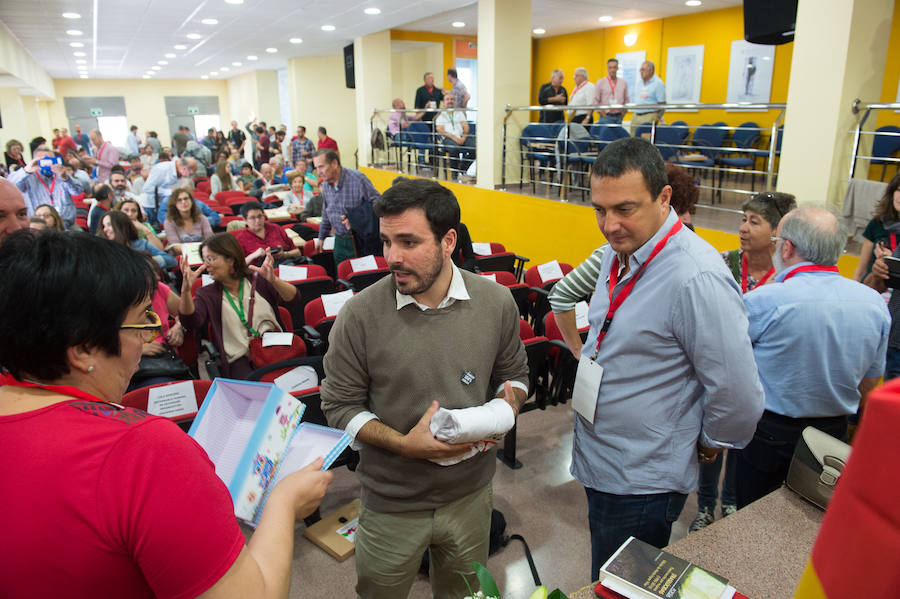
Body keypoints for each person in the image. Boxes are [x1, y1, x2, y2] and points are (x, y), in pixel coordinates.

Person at [0, 229, 332, 597]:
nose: (147, 341)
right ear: (83, 347)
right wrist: (284, 504)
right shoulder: (143, 450)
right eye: (141, 324)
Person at [320, 178, 529, 599]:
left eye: (409, 242)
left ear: (448, 240)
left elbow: (515, 376)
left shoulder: (496, 303)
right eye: (386, 242)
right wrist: (403, 445)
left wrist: (505, 409)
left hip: (471, 497)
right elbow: (339, 405)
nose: (392, 257)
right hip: (390, 502)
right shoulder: (359, 316)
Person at [568, 137, 764, 580]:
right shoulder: (621, 253)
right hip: (602, 457)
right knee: (606, 573)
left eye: (625, 209)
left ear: (664, 197)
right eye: (599, 209)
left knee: (620, 584)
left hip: (642, 478)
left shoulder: (696, 278)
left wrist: (709, 441)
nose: (609, 224)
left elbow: (739, 396)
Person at [737, 206, 890, 508]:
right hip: (832, 433)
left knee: (751, 521)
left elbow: (729, 366)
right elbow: (870, 385)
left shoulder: (766, 300)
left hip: (769, 432)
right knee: (810, 521)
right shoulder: (872, 304)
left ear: (787, 247)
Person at [688, 190, 797, 533]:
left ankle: (731, 502)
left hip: (763, 375)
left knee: (742, 442)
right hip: (718, 371)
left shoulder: (787, 275)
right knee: (712, 440)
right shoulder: (724, 262)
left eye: (754, 221)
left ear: (778, 231)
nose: (743, 228)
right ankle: (705, 506)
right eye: (742, 219)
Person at [548, 162, 702, 358]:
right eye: (680, 211)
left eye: (688, 211)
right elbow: (561, 295)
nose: (686, 219)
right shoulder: (612, 253)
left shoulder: (691, 260)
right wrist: (580, 352)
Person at [179, 232, 300, 378]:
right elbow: (191, 321)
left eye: (210, 259)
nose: (206, 265)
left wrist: (273, 280)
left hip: (275, 349)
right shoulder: (207, 294)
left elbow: (294, 299)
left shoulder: (258, 280)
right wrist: (185, 291)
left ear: (230, 259)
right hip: (240, 360)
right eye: (204, 260)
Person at [313, 149, 381, 265]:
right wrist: (321, 237)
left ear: (334, 163)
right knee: (341, 278)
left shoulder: (358, 179)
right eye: (316, 168)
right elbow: (326, 213)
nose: (318, 172)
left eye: (321, 167)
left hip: (360, 240)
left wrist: (356, 218)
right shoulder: (325, 186)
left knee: (361, 279)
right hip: (339, 241)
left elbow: (378, 203)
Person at [7, 145, 80, 228]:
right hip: (38, 226)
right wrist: (27, 170)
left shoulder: (61, 174)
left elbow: (77, 191)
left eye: (50, 161)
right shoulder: (28, 177)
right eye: (43, 161)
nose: (47, 164)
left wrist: (65, 178)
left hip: (65, 225)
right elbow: (10, 185)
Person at [852, 173, 900, 282]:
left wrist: (893, 262)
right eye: (898, 190)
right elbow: (861, 268)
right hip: (871, 287)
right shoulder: (877, 223)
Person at [100, 210, 176, 270]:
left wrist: (148, 260)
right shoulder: (104, 249)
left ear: (121, 226)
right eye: (104, 226)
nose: (105, 230)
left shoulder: (140, 243)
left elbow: (171, 261)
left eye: (109, 225)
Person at [234, 201, 302, 260]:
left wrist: (285, 254)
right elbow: (239, 267)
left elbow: (298, 252)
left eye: (260, 216)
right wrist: (253, 256)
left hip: (286, 265)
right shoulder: (241, 239)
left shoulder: (276, 229)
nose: (257, 221)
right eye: (252, 218)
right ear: (245, 220)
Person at [142, 156, 200, 225]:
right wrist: (169, 192)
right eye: (190, 174)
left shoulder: (180, 173)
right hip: (153, 206)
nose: (190, 176)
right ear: (184, 168)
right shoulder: (162, 169)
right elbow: (147, 188)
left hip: (168, 205)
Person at [435, 93, 474, 178]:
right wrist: (454, 138)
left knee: (474, 148)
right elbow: (440, 129)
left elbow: (466, 126)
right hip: (448, 138)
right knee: (454, 149)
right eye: (447, 99)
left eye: (452, 99)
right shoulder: (440, 115)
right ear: (443, 102)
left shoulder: (459, 112)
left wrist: (463, 137)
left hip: (461, 136)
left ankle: (462, 169)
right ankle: (454, 175)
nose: (450, 101)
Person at [631, 61, 666, 135]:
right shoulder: (639, 83)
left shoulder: (658, 83)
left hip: (649, 116)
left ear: (651, 70)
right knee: (632, 141)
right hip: (636, 115)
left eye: (643, 70)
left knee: (644, 142)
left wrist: (657, 117)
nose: (641, 72)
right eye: (640, 70)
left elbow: (662, 104)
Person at [593, 58, 629, 124]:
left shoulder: (623, 82)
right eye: (610, 68)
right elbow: (595, 101)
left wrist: (623, 114)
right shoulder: (600, 82)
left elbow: (626, 100)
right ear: (607, 69)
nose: (612, 70)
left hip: (618, 116)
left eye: (614, 67)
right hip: (605, 116)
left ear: (617, 68)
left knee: (618, 134)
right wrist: (603, 114)